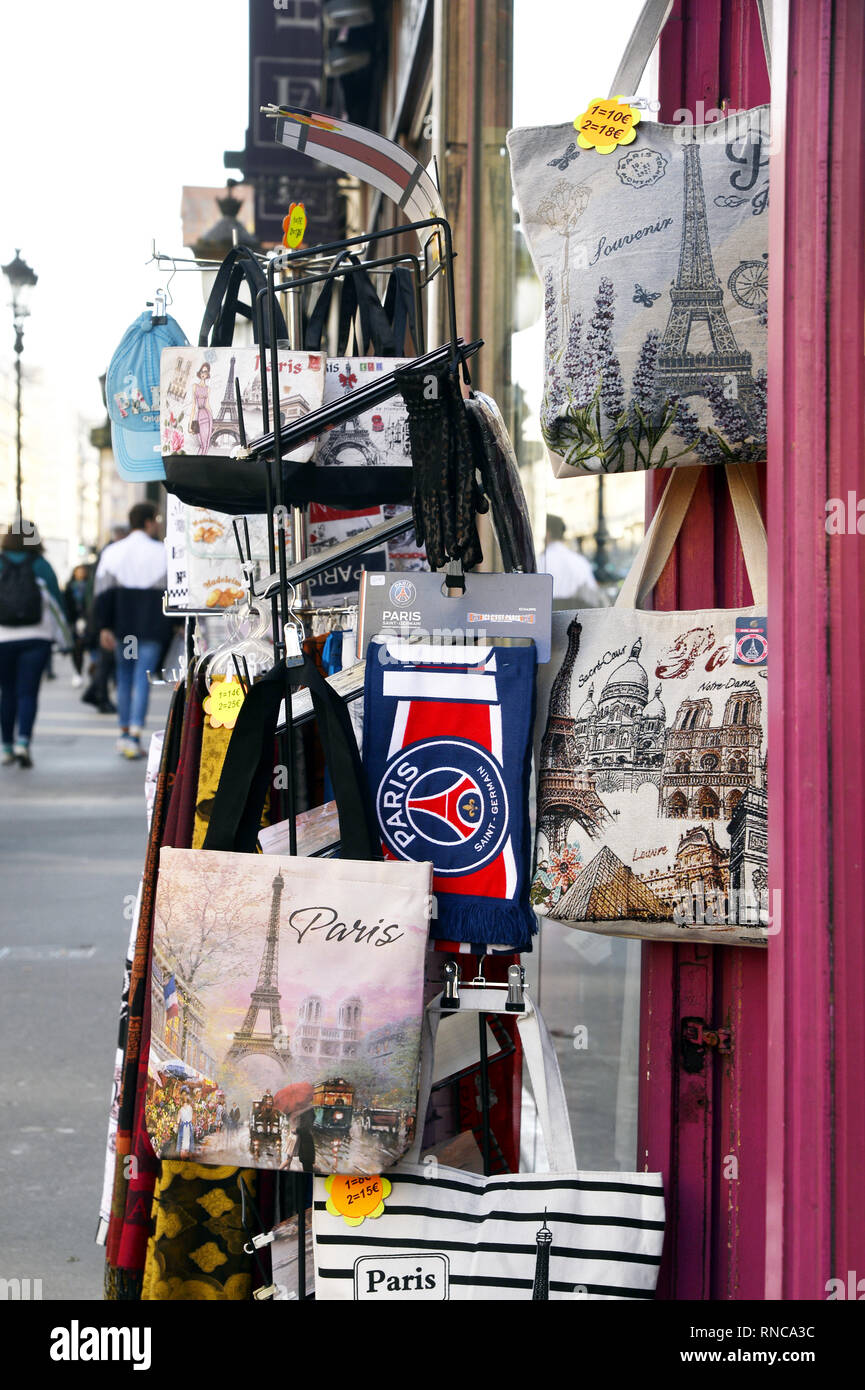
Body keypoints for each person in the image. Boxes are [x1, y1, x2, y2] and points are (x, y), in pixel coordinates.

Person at [93, 502, 174, 759]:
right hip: (151, 627)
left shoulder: (113, 552)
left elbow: (101, 593)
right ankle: (136, 732)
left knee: (124, 678)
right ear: (149, 521)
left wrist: (103, 626)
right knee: (142, 679)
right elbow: (174, 592)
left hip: (124, 629)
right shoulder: (162, 552)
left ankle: (124, 732)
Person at [0, 521, 65, 768]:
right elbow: (57, 606)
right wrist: (67, 641)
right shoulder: (41, 565)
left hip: (2, 638)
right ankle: (23, 743)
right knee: (28, 693)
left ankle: (6, 746)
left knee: (7, 692)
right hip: (37, 638)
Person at [538, 515, 607, 606]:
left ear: (547, 533)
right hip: (574, 616)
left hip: (547, 614)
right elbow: (592, 595)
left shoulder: (540, 561)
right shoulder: (579, 561)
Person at [63, 563, 91, 687]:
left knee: (89, 646)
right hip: (74, 621)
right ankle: (78, 672)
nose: (81, 574)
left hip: (88, 620)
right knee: (77, 648)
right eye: (78, 571)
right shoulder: (70, 587)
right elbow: (66, 604)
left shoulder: (90, 586)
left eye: (83, 571)